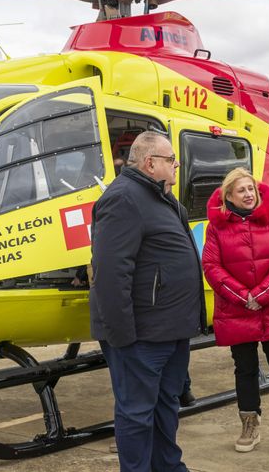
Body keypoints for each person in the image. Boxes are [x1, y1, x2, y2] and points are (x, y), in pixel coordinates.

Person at [90, 131, 207, 472]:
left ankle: (169, 467)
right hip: (140, 334)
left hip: (169, 330)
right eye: (171, 159)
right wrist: (122, 335)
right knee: (137, 413)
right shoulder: (124, 199)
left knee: (165, 406)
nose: (177, 165)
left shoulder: (162, 198)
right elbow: (111, 273)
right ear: (150, 162)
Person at [201, 167, 269, 454]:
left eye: (251, 189)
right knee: (245, 368)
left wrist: (261, 294)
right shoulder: (216, 227)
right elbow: (212, 266)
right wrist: (242, 296)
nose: (248, 194)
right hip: (237, 309)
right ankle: (250, 424)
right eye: (241, 190)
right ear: (229, 197)